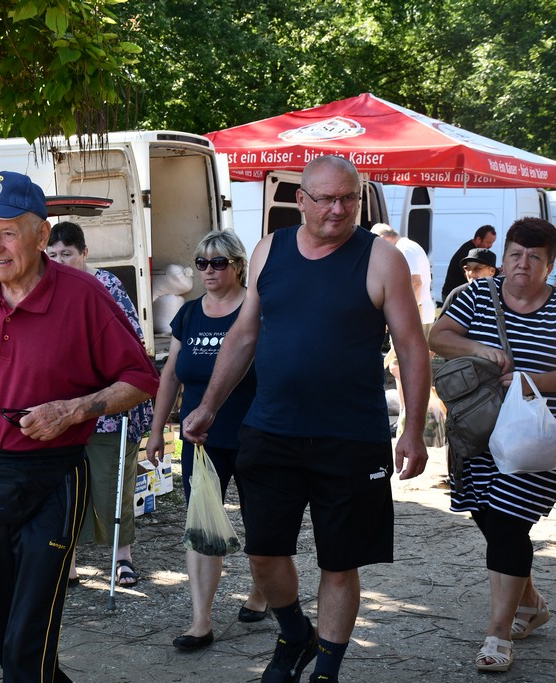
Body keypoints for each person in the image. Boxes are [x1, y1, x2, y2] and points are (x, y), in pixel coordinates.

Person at [181, 155, 430, 683]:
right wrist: (208, 406)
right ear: (302, 201)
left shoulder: (380, 258)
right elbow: (244, 336)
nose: (338, 210)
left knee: (340, 561)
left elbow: (411, 347)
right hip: (271, 428)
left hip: (351, 436)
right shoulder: (271, 251)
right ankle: (296, 634)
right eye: (326, 199)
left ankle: (327, 671)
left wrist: (411, 428)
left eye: (349, 199)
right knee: (263, 553)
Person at [0, 171, 159, 683]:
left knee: (28, 640)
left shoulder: (83, 296)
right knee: (2, 634)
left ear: (42, 235)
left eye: (8, 232)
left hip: (54, 481)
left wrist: (72, 410)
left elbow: (141, 379)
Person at [428, 217, 556, 673]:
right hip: (477, 430)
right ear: (504, 259)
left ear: (549, 265)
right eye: (516, 255)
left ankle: (498, 634)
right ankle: (532, 603)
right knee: (489, 517)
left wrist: (531, 380)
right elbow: (438, 337)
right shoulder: (477, 295)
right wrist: (479, 351)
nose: (523, 264)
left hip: (536, 439)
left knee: (506, 521)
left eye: (535, 258)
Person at [144, 230, 267, 652]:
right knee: (201, 524)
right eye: (201, 263)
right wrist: (158, 430)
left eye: (218, 262)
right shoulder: (189, 314)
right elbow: (171, 376)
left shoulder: (256, 309)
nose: (208, 271)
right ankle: (201, 621)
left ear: (237, 266)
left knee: (262, 521)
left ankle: (261, 591)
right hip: (201, 440)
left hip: (255, 435)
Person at [46, 221, 153, 589]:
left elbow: (134, 340)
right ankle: (68, 562)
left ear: (85, 253)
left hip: (106, 407)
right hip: (61, 407)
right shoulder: (46, 288)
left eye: (67, 254)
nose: (59, 261)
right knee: (66, 488)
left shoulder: (105, 285)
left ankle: (122, 558)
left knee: (110, 482)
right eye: (53, 255)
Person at [370, 224, 434, 334]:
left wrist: (406, 317)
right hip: (419, 315)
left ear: (382, 238)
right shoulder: (407, 246)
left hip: (416, 317)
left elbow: (415, 283)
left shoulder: (404, 249)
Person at [441, 225, 497, 300]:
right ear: (478, 239)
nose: (490, 246)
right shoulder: (468, 253)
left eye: (492, 243)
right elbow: (472, 279)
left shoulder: (472, 250)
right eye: (487, 242)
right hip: (454, 296)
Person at [438, 247, 498, 315]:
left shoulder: (502, 295)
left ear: (492, 271)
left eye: (477, 268)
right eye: (467, 268)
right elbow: (442, 324)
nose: (470, 273)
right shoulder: (457, 294)